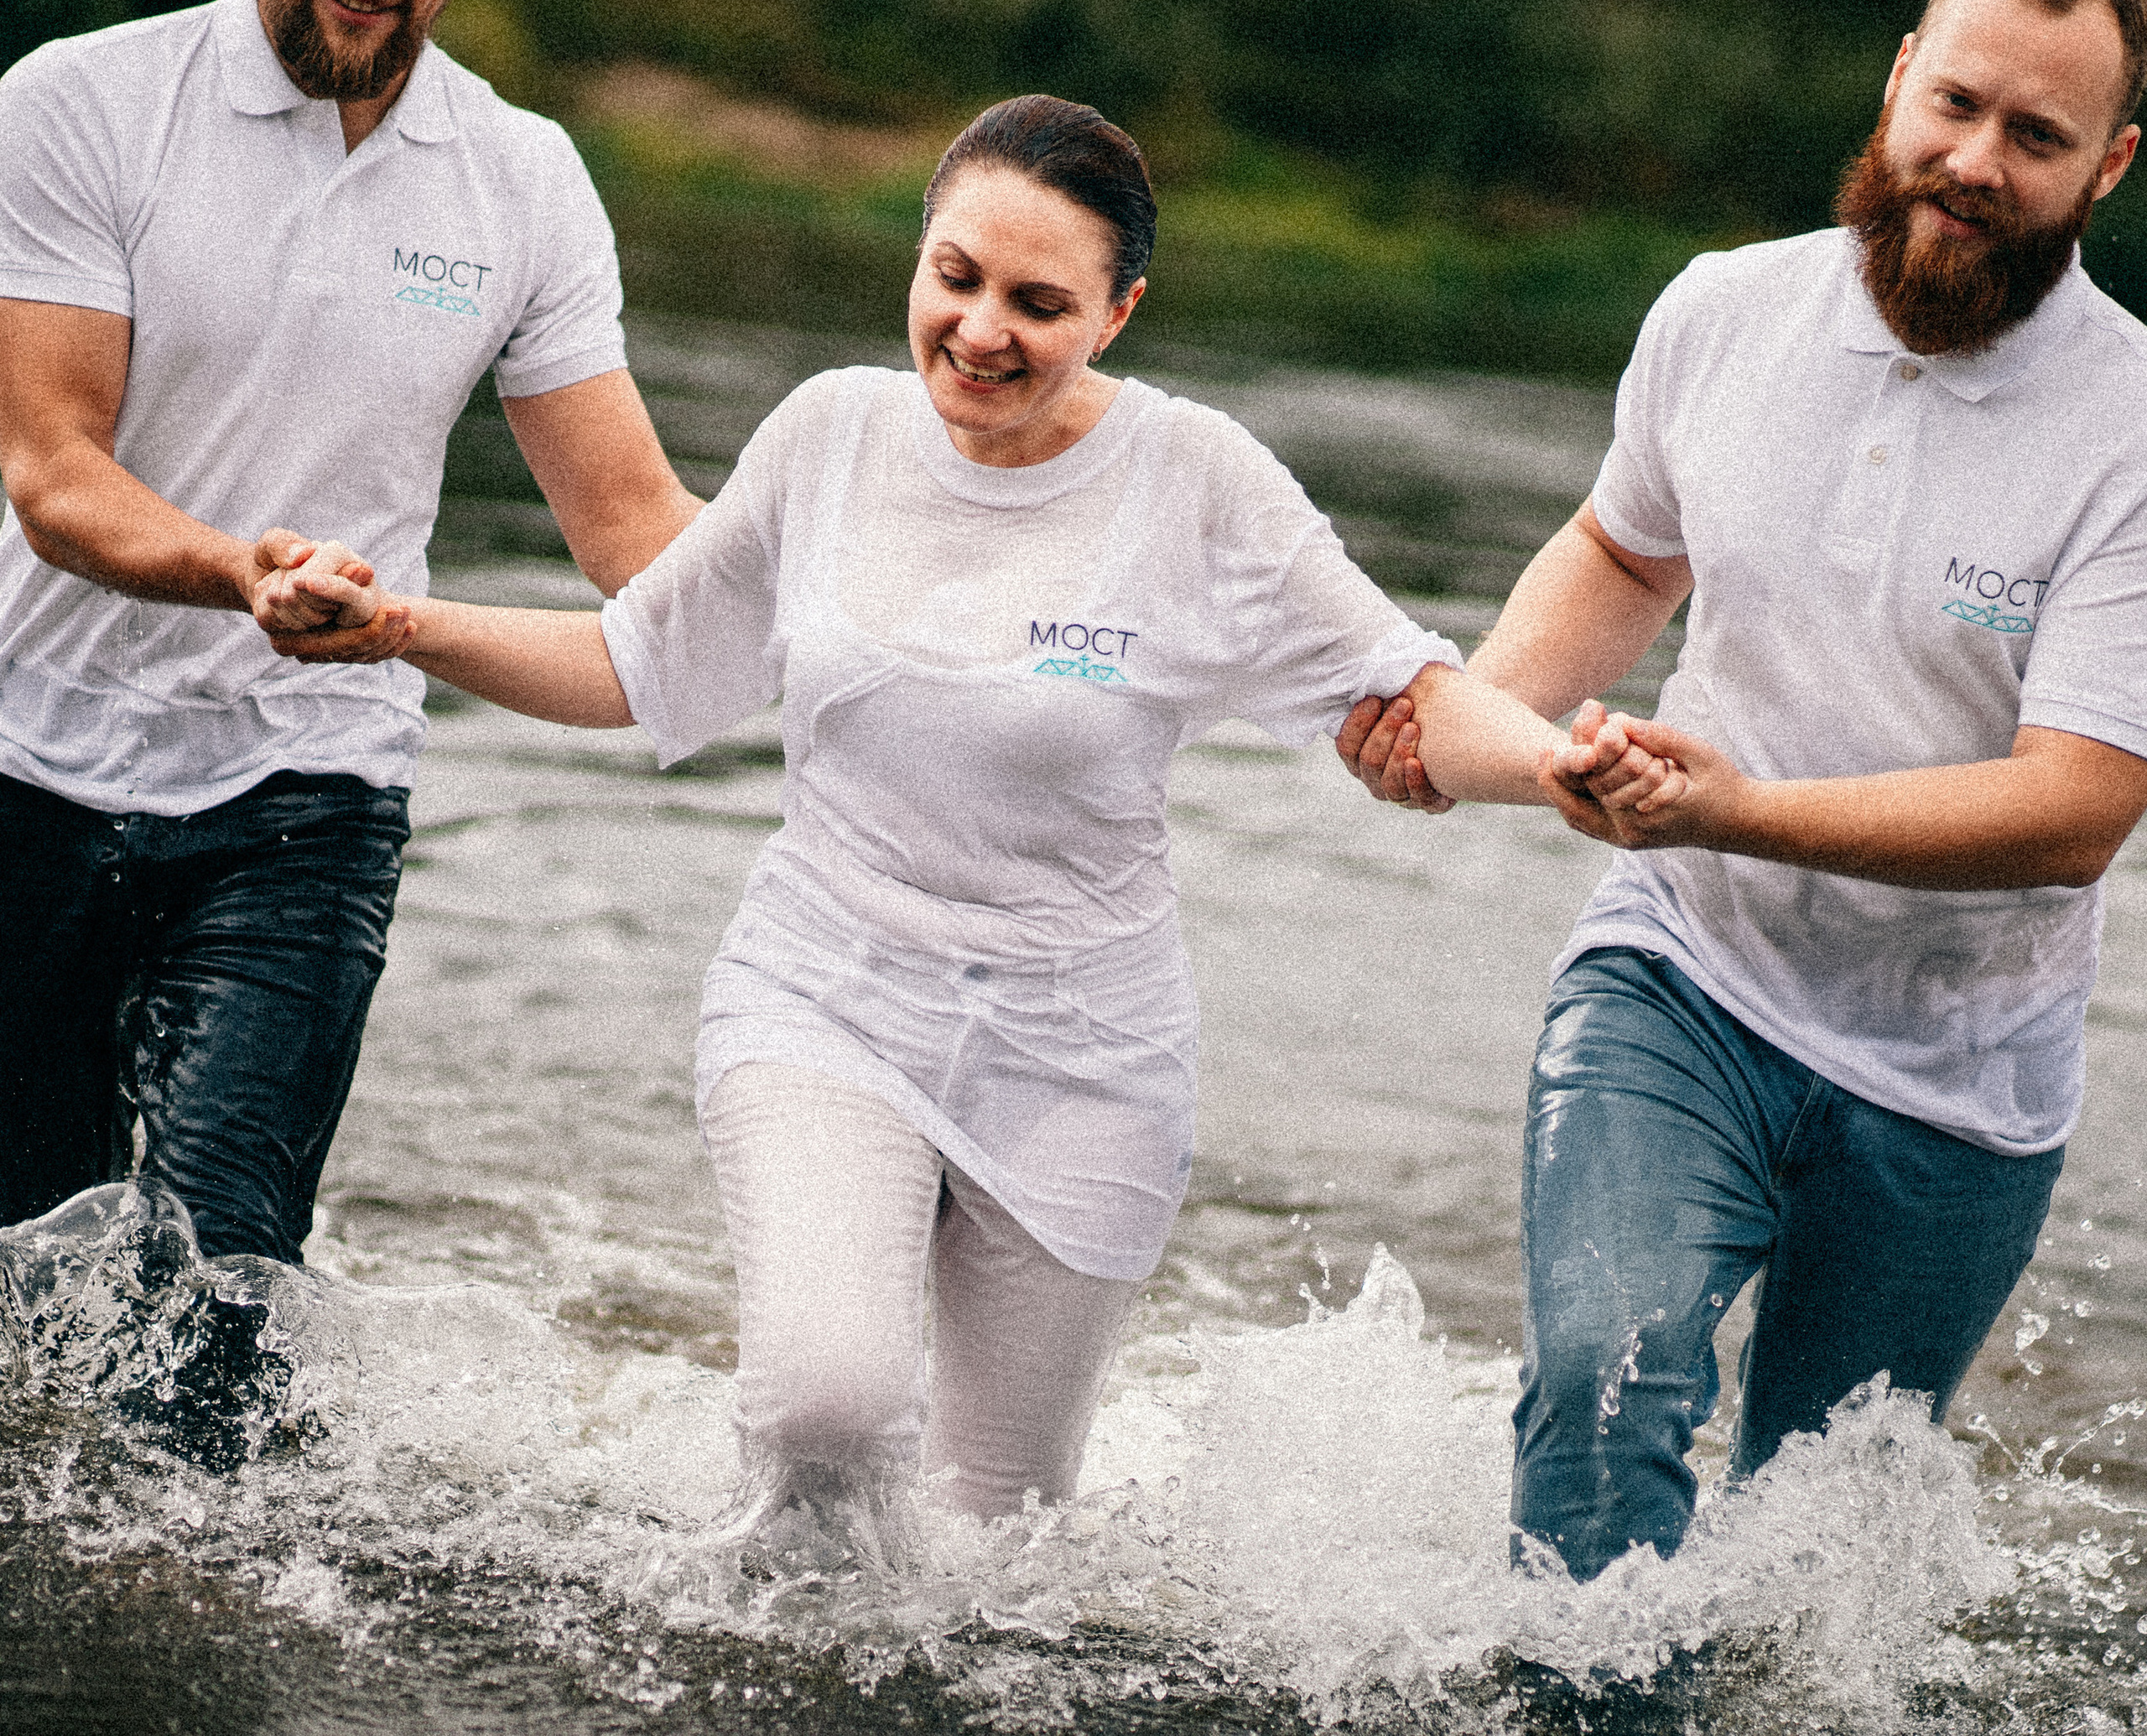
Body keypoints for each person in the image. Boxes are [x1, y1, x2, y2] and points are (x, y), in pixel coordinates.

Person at [276, 94, 1661, 1534]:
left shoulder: (1198, 483)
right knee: (827, 1409)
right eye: (956, 277)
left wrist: (1560, 769)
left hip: (1085, 1054)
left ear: (1119, 312)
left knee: (1001, 1539)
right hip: (828, 990)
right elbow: (638, 665)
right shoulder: (828, 435)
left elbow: (1408, 692)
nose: (983, 330)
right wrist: (401, 627)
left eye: (1039, 302)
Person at [1339, 0, 2147, 1583]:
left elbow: (2073, 806)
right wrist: (1471, 718)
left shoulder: (2128, 428)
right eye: (1953, 103)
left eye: (2034, 136)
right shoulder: (1721, 309)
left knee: (1805, 1547)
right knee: (1598, 1380)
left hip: (1954, 1079)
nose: (1970, 160)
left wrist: (1739, 805)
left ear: (2107, 167)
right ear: (1896, 75)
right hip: (1680, 976)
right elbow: (1625, 552)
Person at [0, 0, 699, 1266]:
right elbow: (55, 474)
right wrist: (246, 572)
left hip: (308, 789)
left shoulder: (522, 179)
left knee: (221, 1292)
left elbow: (637, 531)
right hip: (27, 764)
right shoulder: (78, 107)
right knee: (29, 1272)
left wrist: (881, 587)